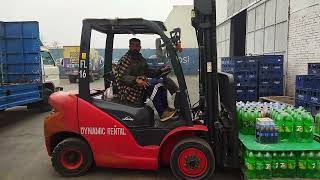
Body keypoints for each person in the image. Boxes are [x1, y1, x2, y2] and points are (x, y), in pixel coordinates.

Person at [115, 38, 178, 121]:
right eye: (133, 46)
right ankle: (162, 113)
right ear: (129, 46)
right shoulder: (126, 59)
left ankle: (166, 109)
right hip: (128, 87)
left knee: (162, 83)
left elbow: (148, 71)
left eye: (137, 46)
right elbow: (122, 76)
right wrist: (135, 80)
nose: (135, 48)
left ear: (140, 47)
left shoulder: (140, 58)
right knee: (152, 85)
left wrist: (160, 71)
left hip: (140, 82)